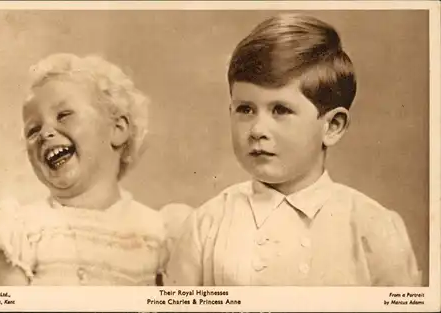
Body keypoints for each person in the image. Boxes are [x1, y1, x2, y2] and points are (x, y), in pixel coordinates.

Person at [164, 14, 420, 286]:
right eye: (245, 109)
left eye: (281, 110)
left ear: (332, 126)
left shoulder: (372, 227)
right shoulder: (206, 226)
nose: (257, 129)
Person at [0, 53, 167, 286]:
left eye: (63, 115)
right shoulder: (27, 229)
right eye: (33, 130)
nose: (45, 133)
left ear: (118, 129)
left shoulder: (152, 231)